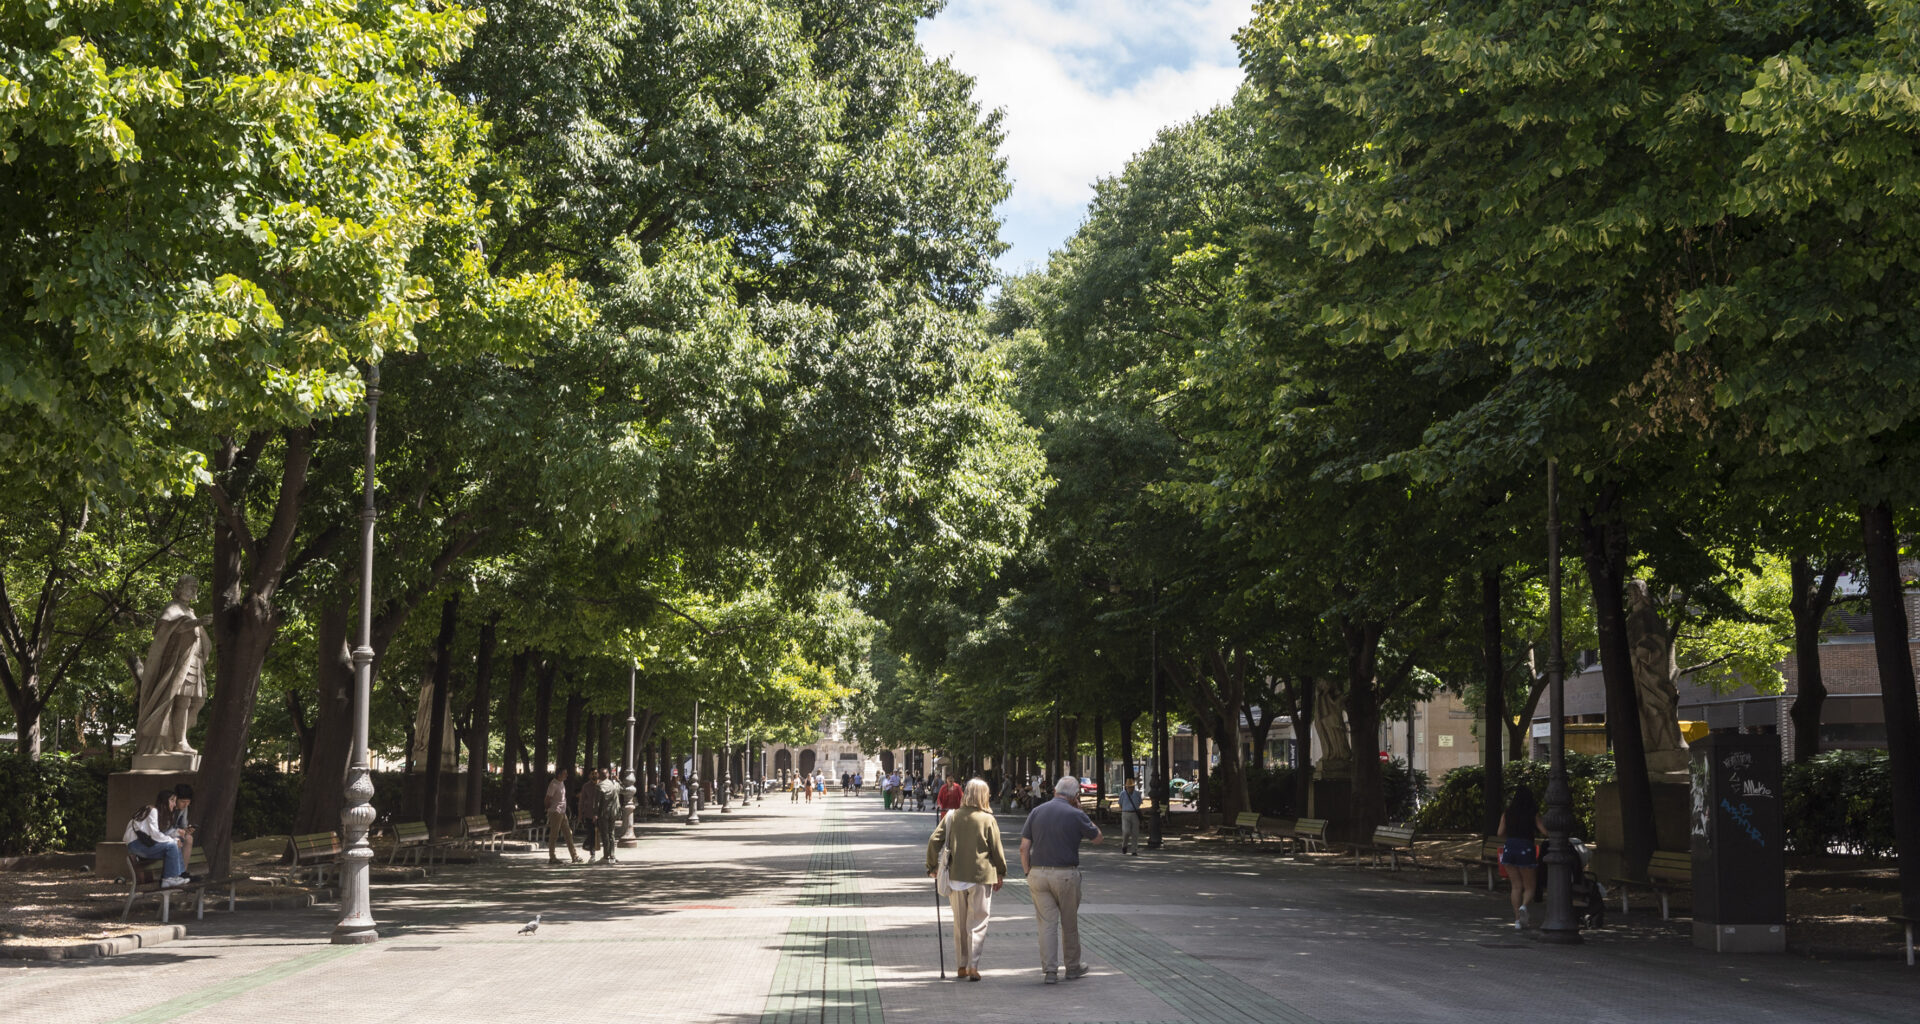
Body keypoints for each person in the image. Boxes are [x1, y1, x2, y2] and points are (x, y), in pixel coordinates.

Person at [1020, 775, 1102, 984]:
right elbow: (1097, 838)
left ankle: (1050, 971)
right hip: (1065, 874)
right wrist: (1081, 811)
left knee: (1046, 924)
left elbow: (1024, 847)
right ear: (1075, 796)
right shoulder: (1076, 814)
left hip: (1038, 874)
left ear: (1055, 790)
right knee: (1069, 923)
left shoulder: (1037, 811)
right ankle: (1072, 967)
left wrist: (1028, 871)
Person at [927, 779, 1007, 981]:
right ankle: (973, 965)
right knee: (977, 922)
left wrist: (932, 867)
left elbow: (934, 841)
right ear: (983, 796)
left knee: (960, 923)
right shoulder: (988, 819)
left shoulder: (952, 816)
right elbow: (996, 850)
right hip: (981, 877)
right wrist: (1001, 872)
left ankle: (961, 965)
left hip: (955, 877)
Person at [1498, 785, 1546, 930]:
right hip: (1525, 847)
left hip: (1509, 847)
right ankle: (1524, 906)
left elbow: (1500, 833)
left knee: (1515, 886)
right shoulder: (1532, 813)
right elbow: (1544, 831)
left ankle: (1517, 920)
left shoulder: (1507, 813)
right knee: (1530, 886)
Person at [126, 790, 190, 887]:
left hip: (144, 844)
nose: (174, 804)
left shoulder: (160, 813)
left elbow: (159, 834)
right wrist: (174, 840)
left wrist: (176, 833)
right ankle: (168, 879)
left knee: (175, 845)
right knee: (173, 844)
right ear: (164, 800)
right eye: (172, 800)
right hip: (136, 844)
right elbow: (155, 835)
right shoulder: (153, 810)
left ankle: (177, 876)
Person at [546, 767, 582, 864]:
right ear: (559, 774)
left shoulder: (561, 783)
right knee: (554, 835)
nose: (566, 775)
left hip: (562, 812)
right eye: (564, 773)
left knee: (568, 833)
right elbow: (547, 799)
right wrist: (550, 810)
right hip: (556, 812)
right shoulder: (553, 784)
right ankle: (552, 857)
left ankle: (574, 856)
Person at [596, 767, 622, 862]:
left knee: (605, 833)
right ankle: (612, 855)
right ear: (608, 775)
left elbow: (597, 802)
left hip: (604, 813)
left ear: (599, 775)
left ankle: (606, 855)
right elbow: (622, 789)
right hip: (613, 812)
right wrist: (618, 780)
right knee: (611, 833)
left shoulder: (599, 786)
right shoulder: (614, 784)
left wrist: (595, 814)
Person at [169, 783, 196, 861]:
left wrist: (187, 830)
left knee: (189, 838)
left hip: (175, 834)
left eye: (188, 802)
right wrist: (180, 832)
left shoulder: (184, 808)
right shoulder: (168, 807)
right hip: (163, 836)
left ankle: (183, 868)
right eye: (183, 801)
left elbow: (184, 825)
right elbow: (164, 831)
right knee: (177, 842)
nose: (186, 805)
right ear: (175, 799)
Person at [1117, 776, 1143, 855]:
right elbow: (1120, 804)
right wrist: (1124, 810)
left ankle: (1134, 850)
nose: (1130, 788)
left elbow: (1139, 803)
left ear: (1133, 787)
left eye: (1131, 787)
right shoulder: (1122, 794)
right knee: (1126, 832)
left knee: (1135, 833)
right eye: (1128, 787)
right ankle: (1124, 845)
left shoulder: (1137, 794)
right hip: (1125, 813)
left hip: (1134, 814)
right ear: (1126, 787)